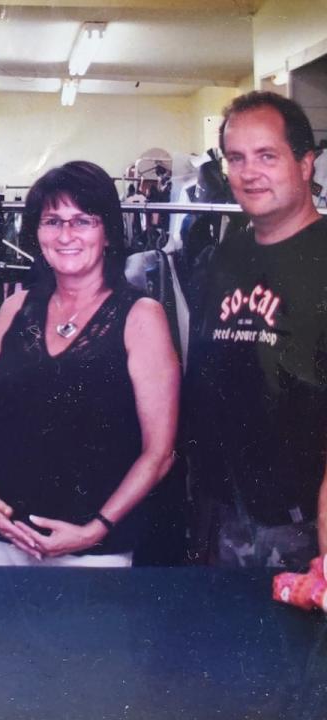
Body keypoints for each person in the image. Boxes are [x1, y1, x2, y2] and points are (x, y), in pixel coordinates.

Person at [0, 161, 180, 567]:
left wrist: (94, 530)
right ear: (36, 231)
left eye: (82, 221)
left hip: (94, 551)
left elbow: (159, 452)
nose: (65, 235)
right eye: (52, 221)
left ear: (108, 231)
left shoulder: (140, 315)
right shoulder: (13, 308)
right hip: (6, 539)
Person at [186, 92, 327, 570]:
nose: (249, 173)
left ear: (306, 163)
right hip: (220, 517)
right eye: (236, 158)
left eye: (267, 156)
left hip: (304, 529)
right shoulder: (221, 260)